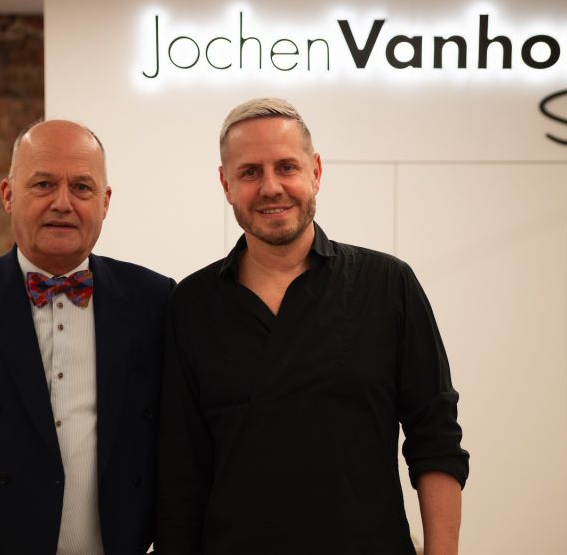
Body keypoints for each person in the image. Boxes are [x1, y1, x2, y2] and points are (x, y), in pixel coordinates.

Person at [156, 98, 469, 555]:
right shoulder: (192, 304)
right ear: (226, 184)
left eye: (287, 167)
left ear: (315, 171)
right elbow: (179, 474)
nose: (271, 187)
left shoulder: (387, 285)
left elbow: (435, 437)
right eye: (250, 172)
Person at [0, 119, 175, 555]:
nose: (62, 203)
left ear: (105, 202)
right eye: (43, 184)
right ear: (8, 195)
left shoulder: (154, 299)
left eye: (82, 187)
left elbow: (178, 453)